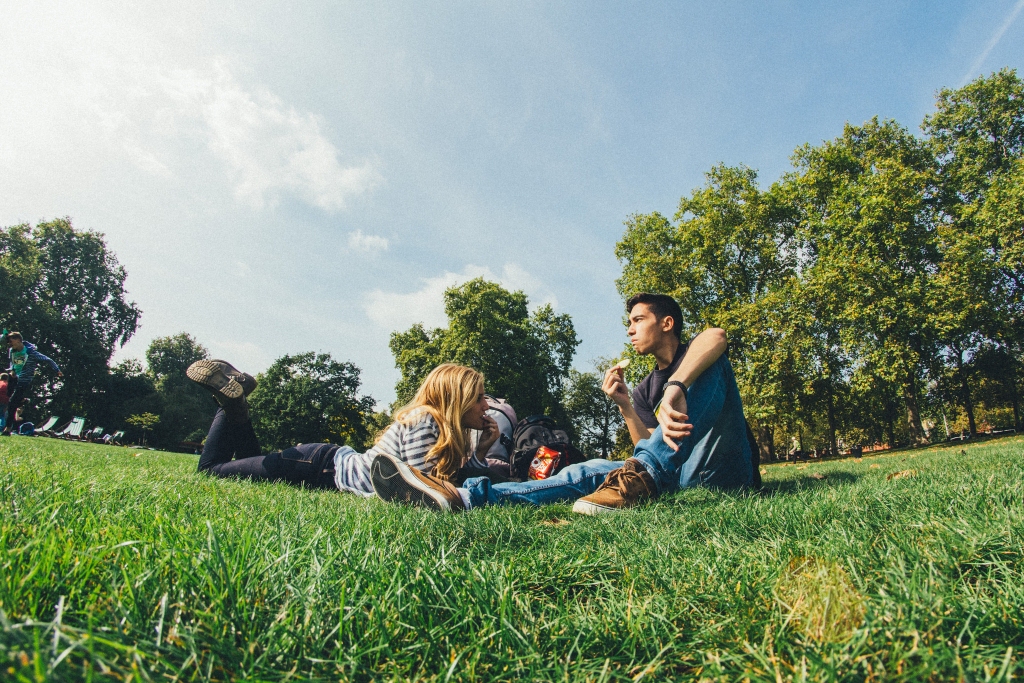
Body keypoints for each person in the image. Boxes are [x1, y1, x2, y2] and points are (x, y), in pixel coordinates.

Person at [370, 293, 756, 514]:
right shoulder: (640, 390)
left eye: (638, 320)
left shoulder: (696, 355)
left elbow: (717, 336)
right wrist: (623, 404)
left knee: (710, 368)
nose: (630, 328)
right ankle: (464, 498)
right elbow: (650, 446)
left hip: (723, 468)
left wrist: (677, 386)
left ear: (667, 323)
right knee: (586, 470)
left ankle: (635, 481)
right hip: (677, 476)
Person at [186, 359, 501, 494]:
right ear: (456, 399)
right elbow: (427, 489)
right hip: (318, 466)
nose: (487, 406)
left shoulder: (441, 429)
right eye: (479, 397)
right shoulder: (426, 420)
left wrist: (482, 451)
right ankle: (231, 406)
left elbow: (446, 482)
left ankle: (237, 403)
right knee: (211, 470)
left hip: (322, 465)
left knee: (245, 462)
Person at [2, 331, 63, 436]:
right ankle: (21, 400)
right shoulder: (12, 351)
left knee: (12, 403)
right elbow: (12, 363)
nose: (10, 344)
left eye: (11, 341)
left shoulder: (31, 353)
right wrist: (12, 370)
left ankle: (7, 429)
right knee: (10, 399)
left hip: (24, 380)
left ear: (18, 340)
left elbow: (48, 360)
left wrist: (57, 370)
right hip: (14, 378)